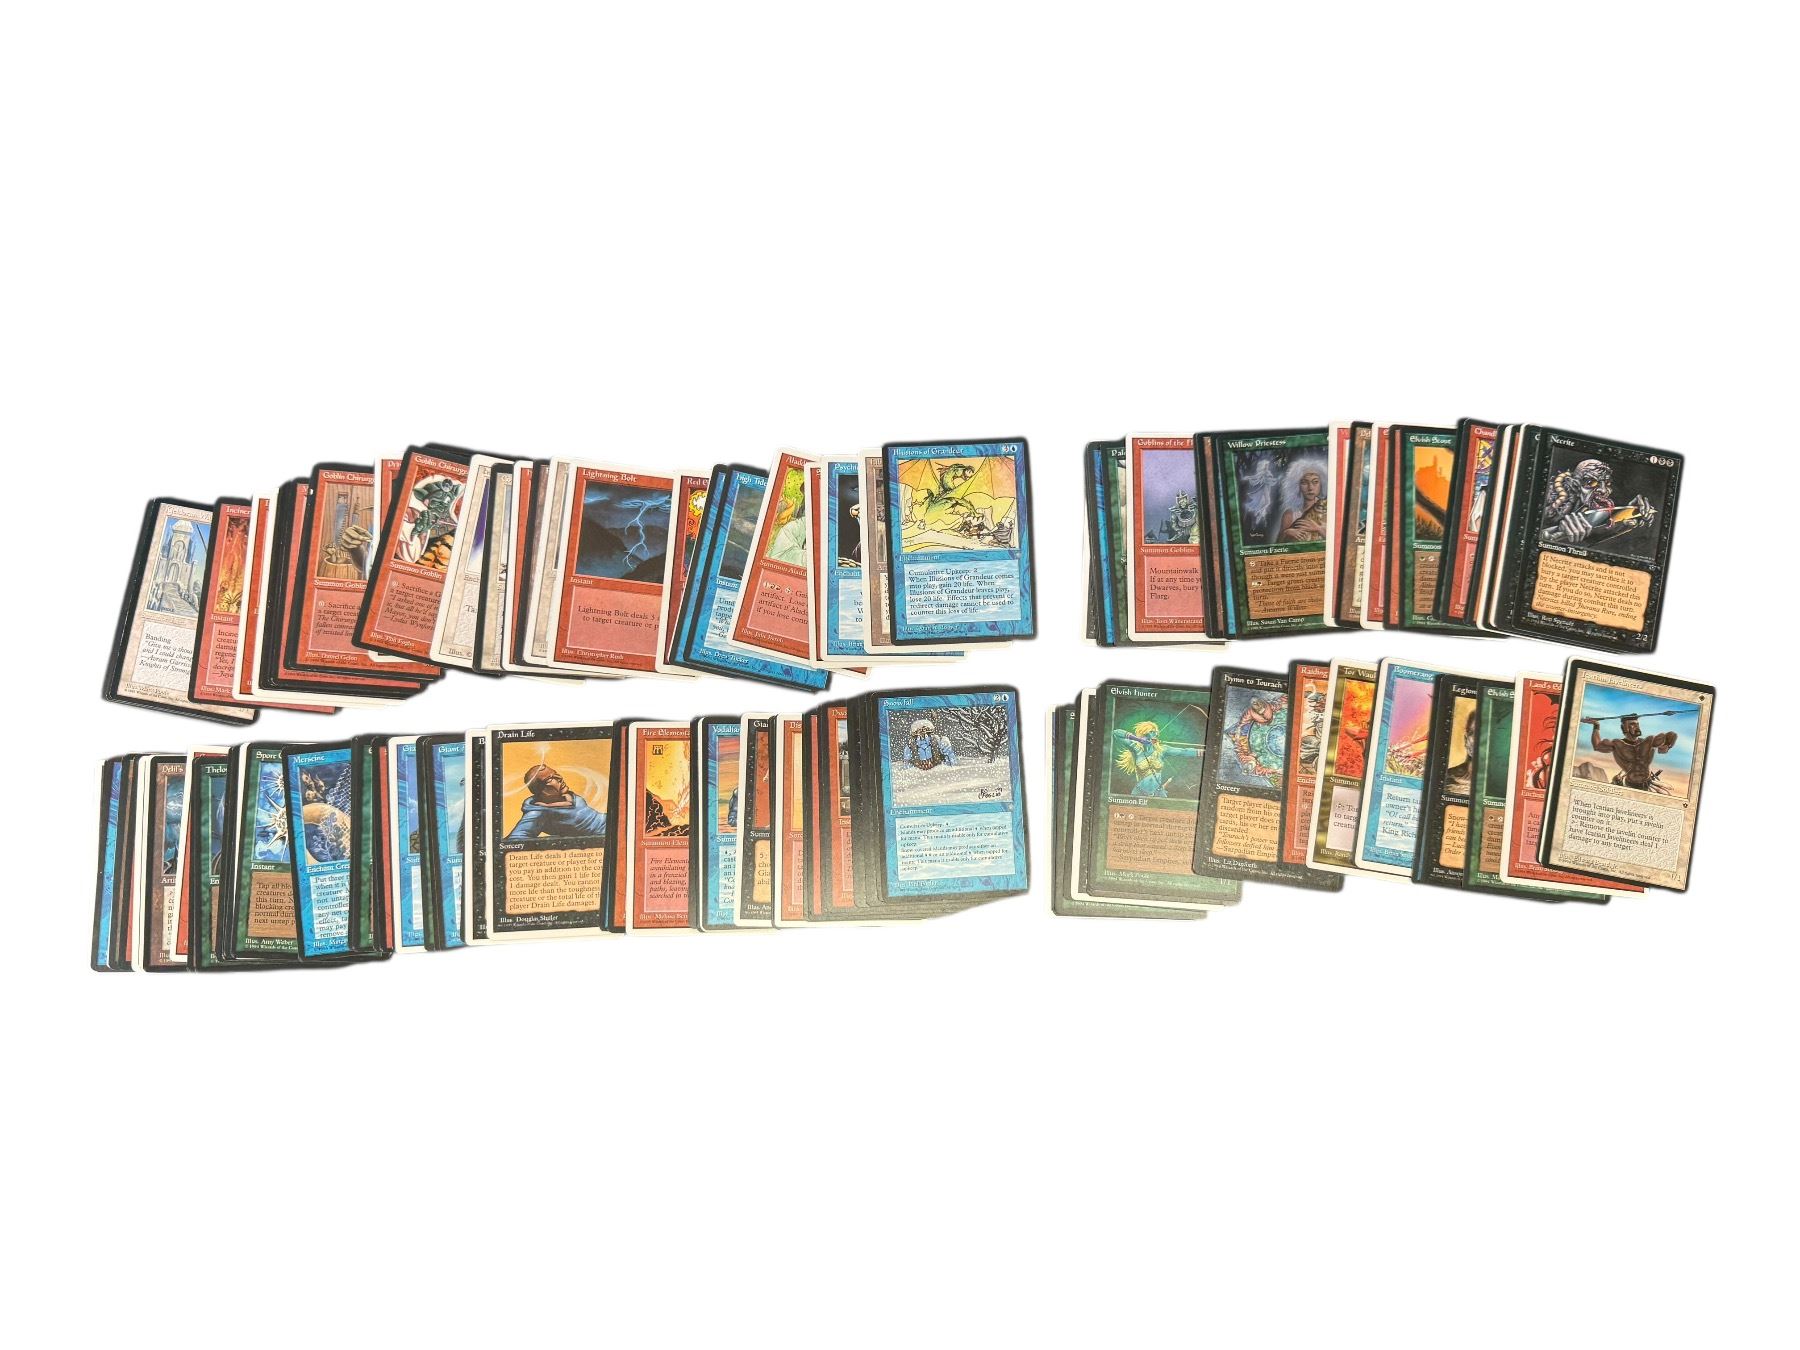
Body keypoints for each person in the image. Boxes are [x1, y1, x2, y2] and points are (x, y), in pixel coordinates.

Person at [505, 764, 608, 841]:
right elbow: (515, 839)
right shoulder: (538, 812)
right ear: (541, 789)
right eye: (550, 779)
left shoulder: (565, 796)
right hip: (605, 834)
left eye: (555, 774)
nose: (560, 778)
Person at [1588, 715, 1678, 793]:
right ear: (1624, 728)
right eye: (1632, 724)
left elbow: (1664, 745)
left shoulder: (1648, 742)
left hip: (1648, 785)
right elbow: (1597, 746)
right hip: (1629, 786)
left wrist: (1669, 741)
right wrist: (1596, 725)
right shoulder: (1617, 745)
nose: (1637, 727)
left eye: (1637, 724)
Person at [1279, 468, 1328, 543]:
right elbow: (1278, 544)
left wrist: (1318, 528)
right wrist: (1287, 532)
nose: (1310, 488)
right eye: (1304, 483)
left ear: (1321, 484)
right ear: (1297, 486)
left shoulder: (1328, 507)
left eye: (1315, 482)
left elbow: (1336, 540)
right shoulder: (1290, 514)